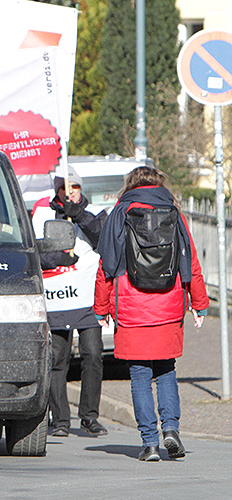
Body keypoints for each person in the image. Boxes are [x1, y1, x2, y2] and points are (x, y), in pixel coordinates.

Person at [94, 166, 208, 461]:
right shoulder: (174, 213)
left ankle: (149, 444)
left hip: (131, 308)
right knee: (166, 370)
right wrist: (199, 303)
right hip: (168, 305)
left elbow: (106, 266)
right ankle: (171, 429)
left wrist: (101, 308)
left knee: (140, 375)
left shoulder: (119, 214)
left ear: (130, 185)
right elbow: (190, 261)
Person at [35, 175, 108, 438]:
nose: (71, 192)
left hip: (88, 299)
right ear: (57, 190)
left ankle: (89, 416)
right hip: (58, 299)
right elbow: (36, 251)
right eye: (66, 187)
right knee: (57, 359)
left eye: (75, 187)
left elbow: (103, 238)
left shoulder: (94, 213)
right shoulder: (43, 215)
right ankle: (60, 420)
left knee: (93, 355)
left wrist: (78, 215)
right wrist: (59, 257)